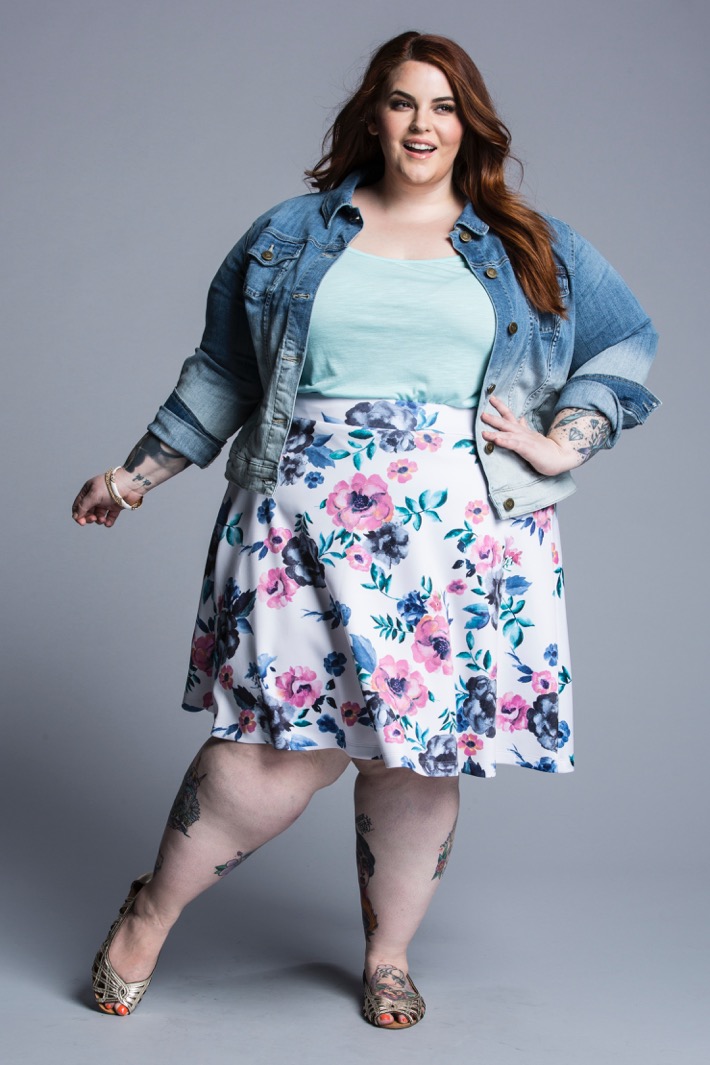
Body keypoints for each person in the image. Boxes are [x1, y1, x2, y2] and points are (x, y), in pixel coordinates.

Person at [72, 30, 659, 1029]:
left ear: (470, 123)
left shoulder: (530, 243)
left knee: (417, 756)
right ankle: (150, 912)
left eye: (443, 106)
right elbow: (223, 372)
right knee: (265, 751)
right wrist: (134, 477)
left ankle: (387, 954)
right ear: (371, 117)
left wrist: (564, 438)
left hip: (460, 541)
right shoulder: (289, 235)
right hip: (298, 524)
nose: (422, 125)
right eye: (401, 102)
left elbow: (625, 343)